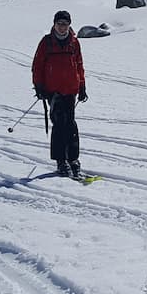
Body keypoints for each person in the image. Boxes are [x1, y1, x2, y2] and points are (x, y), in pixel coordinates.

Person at [31, 9, 88, 177]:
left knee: (71, 124)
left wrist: (82, 86)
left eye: (65, 24)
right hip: (53, 90)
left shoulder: (74, 43)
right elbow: (37, 66)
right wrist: (39, 86)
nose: (62, 27)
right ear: (54, 24)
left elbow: (79, 65)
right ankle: (60, 161)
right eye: (59, 24)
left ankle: (73, 159)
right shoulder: (46, 42)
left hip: (71, 89)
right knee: (59, 124)